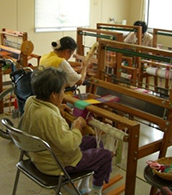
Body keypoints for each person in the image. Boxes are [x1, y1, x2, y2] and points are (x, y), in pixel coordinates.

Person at [21, 67, 112, 195]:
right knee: (105, 156)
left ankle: (84, 185)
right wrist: (77, 127)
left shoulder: (31, 101)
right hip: (56, 164)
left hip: (40, 156)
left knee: (94, 142)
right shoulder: (49, 116)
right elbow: (69, 146)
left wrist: (56, 107)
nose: (63, 93)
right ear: (53, 94)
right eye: (63, 90)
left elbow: (45, 115)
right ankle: (96, 191)